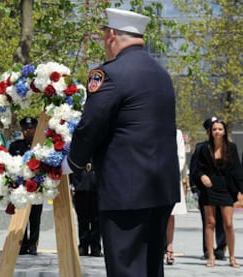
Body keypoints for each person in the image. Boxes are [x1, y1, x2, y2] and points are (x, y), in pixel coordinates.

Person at [62, 8, 180, 277]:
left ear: (112, 35)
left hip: (125, 190)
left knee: (125, 268)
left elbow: (91, 125)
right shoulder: (161, 73)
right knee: (151, 268)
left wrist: (72, 162)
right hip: (160, 188)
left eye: (104, 36)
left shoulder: (109, 74)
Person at [194, 118, 243, 268]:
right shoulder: (203, 148)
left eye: (220, 129)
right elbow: (197, 169)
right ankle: (211, 257)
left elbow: (237, 170)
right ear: (210, 131)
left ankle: (232, 258)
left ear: (224, 131)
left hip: (226, 188)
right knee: (210, 223)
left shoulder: (231, 147)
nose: (217, 132)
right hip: (209, 188)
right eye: (215, 129)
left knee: (228, 223)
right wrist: (202, 177)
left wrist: (241, 190)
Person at [189, 117, 226, 260]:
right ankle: (208, 249)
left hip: (223, 190)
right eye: (212, 129)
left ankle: (221, 248)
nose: (215, 132)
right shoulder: (200, 147)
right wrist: (195, 188)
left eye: (218, 129)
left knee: (222, 220)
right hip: (206, 191)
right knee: (207, 220)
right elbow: (194, 169)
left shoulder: (227, 147)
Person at [8, 117, 42, 255]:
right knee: (20, 216)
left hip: (36, 186)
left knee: (35, 217)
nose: (27, 132)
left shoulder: (40, 145)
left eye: (30, 129)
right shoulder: (16, 146)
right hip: (20, 187)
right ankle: (22, 243)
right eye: (24, 129)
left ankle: (33, 244)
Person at [165, 129, 188, 265]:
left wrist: (169, 172)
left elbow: (181, 157)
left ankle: (169, 246)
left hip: (170, 177)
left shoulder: (176, 133)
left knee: (170, 214)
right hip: (150, 177)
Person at [70, 171, 102, 257]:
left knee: (96, 220)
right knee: (82, 219)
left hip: (97, 187)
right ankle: (83, 246)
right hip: (80, 187)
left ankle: (95, 247)